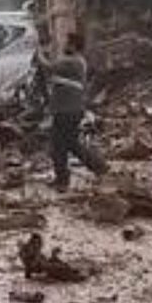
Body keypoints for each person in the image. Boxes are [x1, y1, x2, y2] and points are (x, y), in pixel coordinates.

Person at [37, 31, 108, 190]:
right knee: (69, 144)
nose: (64, 46)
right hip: (67, 110)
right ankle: (95, 168)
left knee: (60, 145)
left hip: (67, 111)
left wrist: (39, 52)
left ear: (74, 46)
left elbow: (48, 67)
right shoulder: (74, 62)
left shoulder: (73, 62)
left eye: (67, 43)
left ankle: (65, 179)